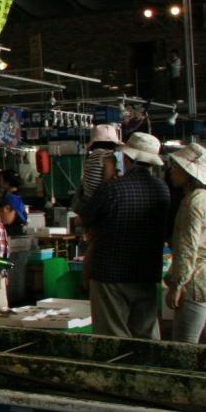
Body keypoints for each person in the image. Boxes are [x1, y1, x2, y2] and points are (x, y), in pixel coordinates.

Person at [83, 132, 171, 339]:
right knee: (146, 336)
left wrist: (106, 178)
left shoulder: (112, 189)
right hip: (146, 272)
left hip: (109, 274)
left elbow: (87, 217)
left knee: (112, 337)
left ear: (127, 157)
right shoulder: (162, 190)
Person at [165, 143, 206, 345]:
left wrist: (177, 285)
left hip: (195, 282)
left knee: (184, 344)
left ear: (188, 173)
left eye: (176, 167)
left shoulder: (191, 202)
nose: (172, 171)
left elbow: (187, 248)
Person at [72, 124, 120, 213]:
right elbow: (108, 183)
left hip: (87, 199)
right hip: (99, 202)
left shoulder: (91, 156)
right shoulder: (107, 156)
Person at [0, 169, 26, 236]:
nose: (0, 182)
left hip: (12, 231)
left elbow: (7, 216)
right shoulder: (10, 195)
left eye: (1, 180)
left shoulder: (12, 198)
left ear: (7, 182)